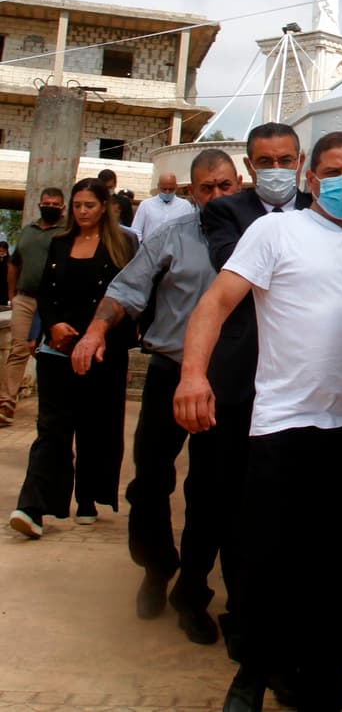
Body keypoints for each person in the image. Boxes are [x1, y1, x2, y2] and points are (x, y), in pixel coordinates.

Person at [175, 131, 342, 712]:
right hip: (285, 424)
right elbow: (215, 305)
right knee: (270, 561)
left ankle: (326, 689)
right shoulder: (274, 231)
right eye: (332, 170)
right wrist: (194, 375)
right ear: (310, 178)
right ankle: (253, 675)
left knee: (341, 574)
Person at [71, 150, 241, 643]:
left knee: (211, 493)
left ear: (239, 185)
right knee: (149, 483)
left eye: (225, 186)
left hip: (224, 381)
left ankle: (191, 592)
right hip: (169, 374)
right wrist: (95, 331)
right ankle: (154, 567)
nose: (215, 195)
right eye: (205, 188)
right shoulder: (170, 237)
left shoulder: (260, 238)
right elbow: (126, 291)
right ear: (191, 193)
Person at [200, 121, 311, 662]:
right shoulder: (227, 213)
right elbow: (240, 273)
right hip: (243, 379)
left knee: (295, 509)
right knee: (236, 504)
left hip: (307, 382)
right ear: (249, 168)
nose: (276, 170)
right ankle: (242, 615)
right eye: (264, 161)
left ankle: (292, 614)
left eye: (285, 159)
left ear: (300, 159)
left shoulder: (328, 203)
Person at [9, 178, 137, 538]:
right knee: (51, 429)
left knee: (93, 427)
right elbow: (45, 295)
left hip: (100, 353)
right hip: (57, 350)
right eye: (77, 205)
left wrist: (100, 336)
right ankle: (32, 506)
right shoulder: (59, 243)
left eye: (89, 206)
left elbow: (127, 296)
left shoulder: (121, 247)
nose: (82, 212)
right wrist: (52, 326)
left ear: (104, 207)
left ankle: (86, 497)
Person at [1, 188, 64, 427]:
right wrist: (12, 295)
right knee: (18, 350)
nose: (50, 207)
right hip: (25, 299)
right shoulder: (27, 232)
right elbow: (13, 264)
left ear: (62, 208)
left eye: (55, 204)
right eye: (46, 203)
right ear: (40, 205)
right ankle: (6, 403)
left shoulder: (66, 233)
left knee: (50, 353)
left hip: (53, 301)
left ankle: (50, 407)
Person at [132, 173, 195, 241]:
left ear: (176, 187)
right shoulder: (146, 205)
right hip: (150, 248)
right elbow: (136, 230)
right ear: (158, 187)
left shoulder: (185, 206)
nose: (167, 192)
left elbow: (190, 231)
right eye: (164, 189)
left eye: (171, 189)